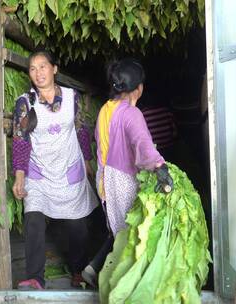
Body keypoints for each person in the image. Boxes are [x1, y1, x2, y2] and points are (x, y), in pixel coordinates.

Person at [81, 58, 174, 287]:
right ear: (139, 88)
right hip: (123, 180)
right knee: (132, 232)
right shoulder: (132, 114)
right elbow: (143, 145)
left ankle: (93, 268)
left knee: (117, 228)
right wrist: (159, 167)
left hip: (105, 178)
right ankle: (122, 283)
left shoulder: (105, 109)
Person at [11, 50, 98, 290]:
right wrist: (20, 175)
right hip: (38, 171)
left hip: (70, 167)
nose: (38, 73)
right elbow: (20, 139)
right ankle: (35, 276)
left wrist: (88, 163)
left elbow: (81, 130)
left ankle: (78, 270)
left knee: (77, 226)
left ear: (54, 69)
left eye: (42, 66)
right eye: (32, 68)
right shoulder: (25, 102)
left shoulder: (72, 97)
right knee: (34, 221)